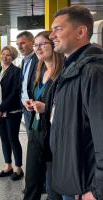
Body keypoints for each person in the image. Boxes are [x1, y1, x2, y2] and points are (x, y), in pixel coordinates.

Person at [48, 5, 103, 200]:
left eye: (58, 29)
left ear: (81, 32)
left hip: (86, 186)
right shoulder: (71, 68)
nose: (51, 35)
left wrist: (97, 191)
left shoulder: (93, 72)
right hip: (73, 177)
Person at [23, 31, 63, 200]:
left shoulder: (63, 72)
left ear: (53, 45)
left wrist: (45, 108)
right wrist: (31, 103)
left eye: (42, 44)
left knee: (53, 188)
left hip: (54, 136)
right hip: (36, 131)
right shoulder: (39, 70)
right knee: (31, 181)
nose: (37, 49)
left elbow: (69, 108)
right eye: (35, 45)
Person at [0, 45, 24, 181]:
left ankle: (18, 168)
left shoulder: (16, 71)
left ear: (13, 57)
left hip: (12, 111)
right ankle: (8, 166)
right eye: (3, 54)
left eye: (8, 55)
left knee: (13, 138)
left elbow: (14, 93)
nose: (5, 57)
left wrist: (2, 108)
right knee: (4, 139)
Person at [16, 31, 38, 134]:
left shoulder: (38, 59)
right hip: (25, 105)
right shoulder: (24, 61)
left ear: (32, 42)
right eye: (18, 44)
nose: (20, 47)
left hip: (35, 105)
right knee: (31, 137)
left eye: (22, 43)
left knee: (36, 139)